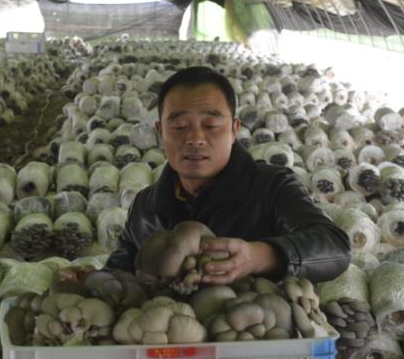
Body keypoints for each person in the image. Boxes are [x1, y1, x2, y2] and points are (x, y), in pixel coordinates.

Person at [105, 65, 351, 284]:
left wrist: (259, 256)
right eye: (179, 127)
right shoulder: (146, 208)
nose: (195, 139)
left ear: (234, 130)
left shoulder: (272, 188)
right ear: (160, 133)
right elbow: (120, 268)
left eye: (210, 126)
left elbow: (334, 247)